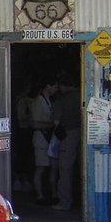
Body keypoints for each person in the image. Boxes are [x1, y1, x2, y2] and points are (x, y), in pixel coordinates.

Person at [53, 72, 81, 211]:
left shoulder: (62, 99)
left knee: (65, 168)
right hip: (82, 133)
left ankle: (65, 201)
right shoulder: (81, 95)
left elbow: (56, 122)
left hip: (68, 134)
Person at [29, 77, 58, 205]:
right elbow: (34, 123)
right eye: (55, 86)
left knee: (53, 167)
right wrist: (51, 125)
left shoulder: (49, 100)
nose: (56, 89)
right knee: (40, 167)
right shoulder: (38, 101)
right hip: (41, 137)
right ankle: (39, 195)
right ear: (48, 86)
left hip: (49, 138)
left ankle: (54, 194)